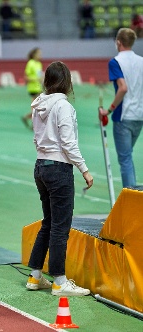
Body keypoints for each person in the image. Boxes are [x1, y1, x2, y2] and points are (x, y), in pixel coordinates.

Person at [26, 61, 93, 296]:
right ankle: (59, 281)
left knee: (48, 221)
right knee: (60, 227)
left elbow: (36, 137)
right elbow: (68, 142)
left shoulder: (37, 105)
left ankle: (35, 277)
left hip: (40, 166)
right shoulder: (63, 107)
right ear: (67, 82)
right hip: (58, 169)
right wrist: (84, 169)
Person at [99, 28, 143, 189]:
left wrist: (108, 110)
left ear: (118, 42)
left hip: (124, 116)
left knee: (125, 158)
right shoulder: (141, 61)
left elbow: (123, 88)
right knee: (128, 157)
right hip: (139, 116)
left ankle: (131, 198)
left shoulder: (115, 62)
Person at [21, 47, 43, 130]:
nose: (40, 55)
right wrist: (36, 79)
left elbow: (39, 75)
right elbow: (26, 77)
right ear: (34, 55)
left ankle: (27, 117)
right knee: (38, 107)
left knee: (38, 107)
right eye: (39, 53)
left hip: (38, 87)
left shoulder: (39, 64)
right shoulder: (30, 63)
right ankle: (33, 124)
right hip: (33, 88)